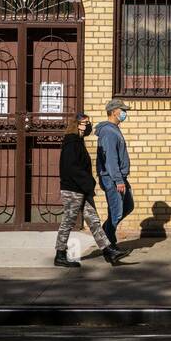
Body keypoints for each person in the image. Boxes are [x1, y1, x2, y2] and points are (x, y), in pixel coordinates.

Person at [56, 112, 125, 268]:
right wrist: (89, 182)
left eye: (89, 122)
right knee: (68, 221)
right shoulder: (71, 143)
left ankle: (109, 252)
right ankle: (60, 254)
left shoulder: (78, 141)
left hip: (82, 189)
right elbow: (72, 168)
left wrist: (87, 186)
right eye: (86, 123)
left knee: (93, 220)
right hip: (73, 190)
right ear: (77, 124)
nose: (89, 125)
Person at [96, 98, 136, 249]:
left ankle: (106, 235)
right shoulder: (108, 132)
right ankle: (109, 245)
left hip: (118, 177)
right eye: (122, 110)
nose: (125, 113)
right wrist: (118, 180)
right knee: (117, 211)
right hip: (112, 178)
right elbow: (111, 159)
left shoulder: (113, 129)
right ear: (114, 112)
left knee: (127, 206)